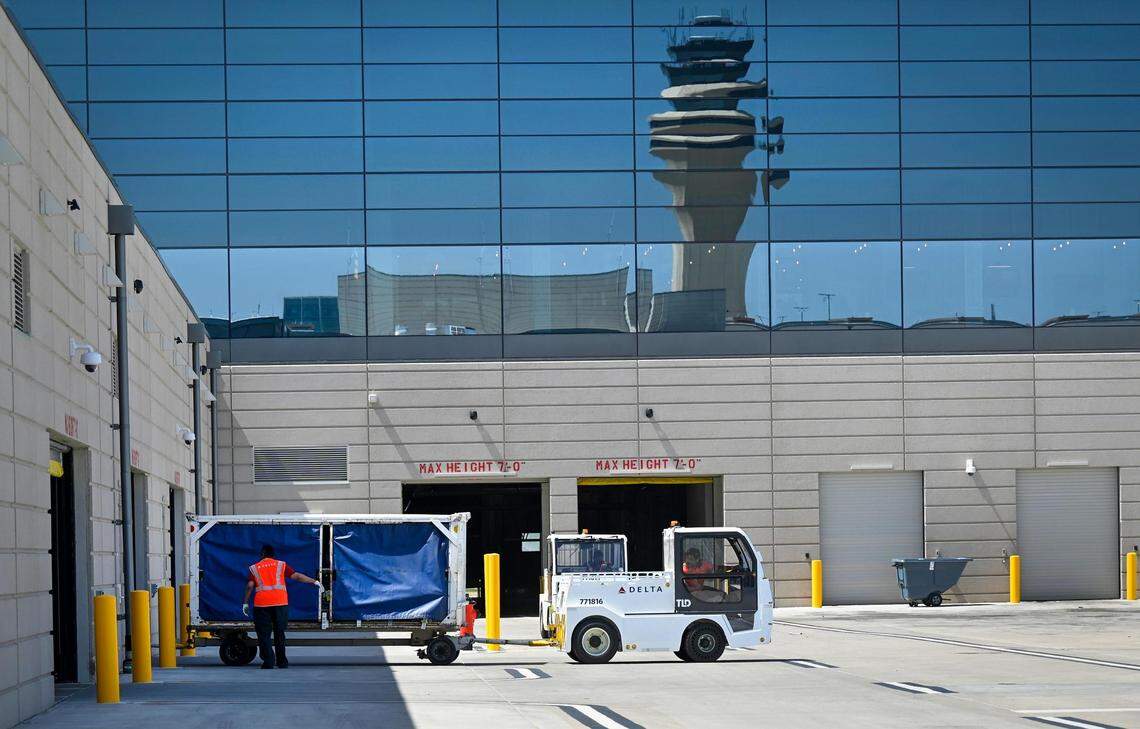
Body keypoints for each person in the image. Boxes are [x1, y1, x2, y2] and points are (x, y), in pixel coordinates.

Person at [241, 544, 322, 669]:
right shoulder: (281, 565)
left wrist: (245, 602)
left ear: (262, 554)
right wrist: (315, 582)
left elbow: (250, 586)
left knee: (264, 635)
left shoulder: (254, 568)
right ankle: (282, 661)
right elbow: (297, 576)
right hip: (280, 603)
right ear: (273, 555)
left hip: (261, 605)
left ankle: (268, 661)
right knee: (279, 633)